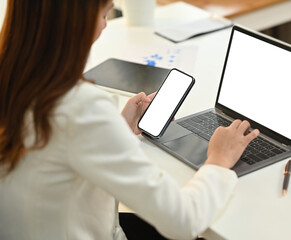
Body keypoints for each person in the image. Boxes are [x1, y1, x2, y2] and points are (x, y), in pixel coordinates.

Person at [0, 0, 260, 239]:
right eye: (104, 14)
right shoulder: (82, 108)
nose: (105, 24)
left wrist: (118, 129)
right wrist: (218, 160)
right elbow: (183, 221)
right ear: (76, 23)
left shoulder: (13, 80)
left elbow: (56, 155)